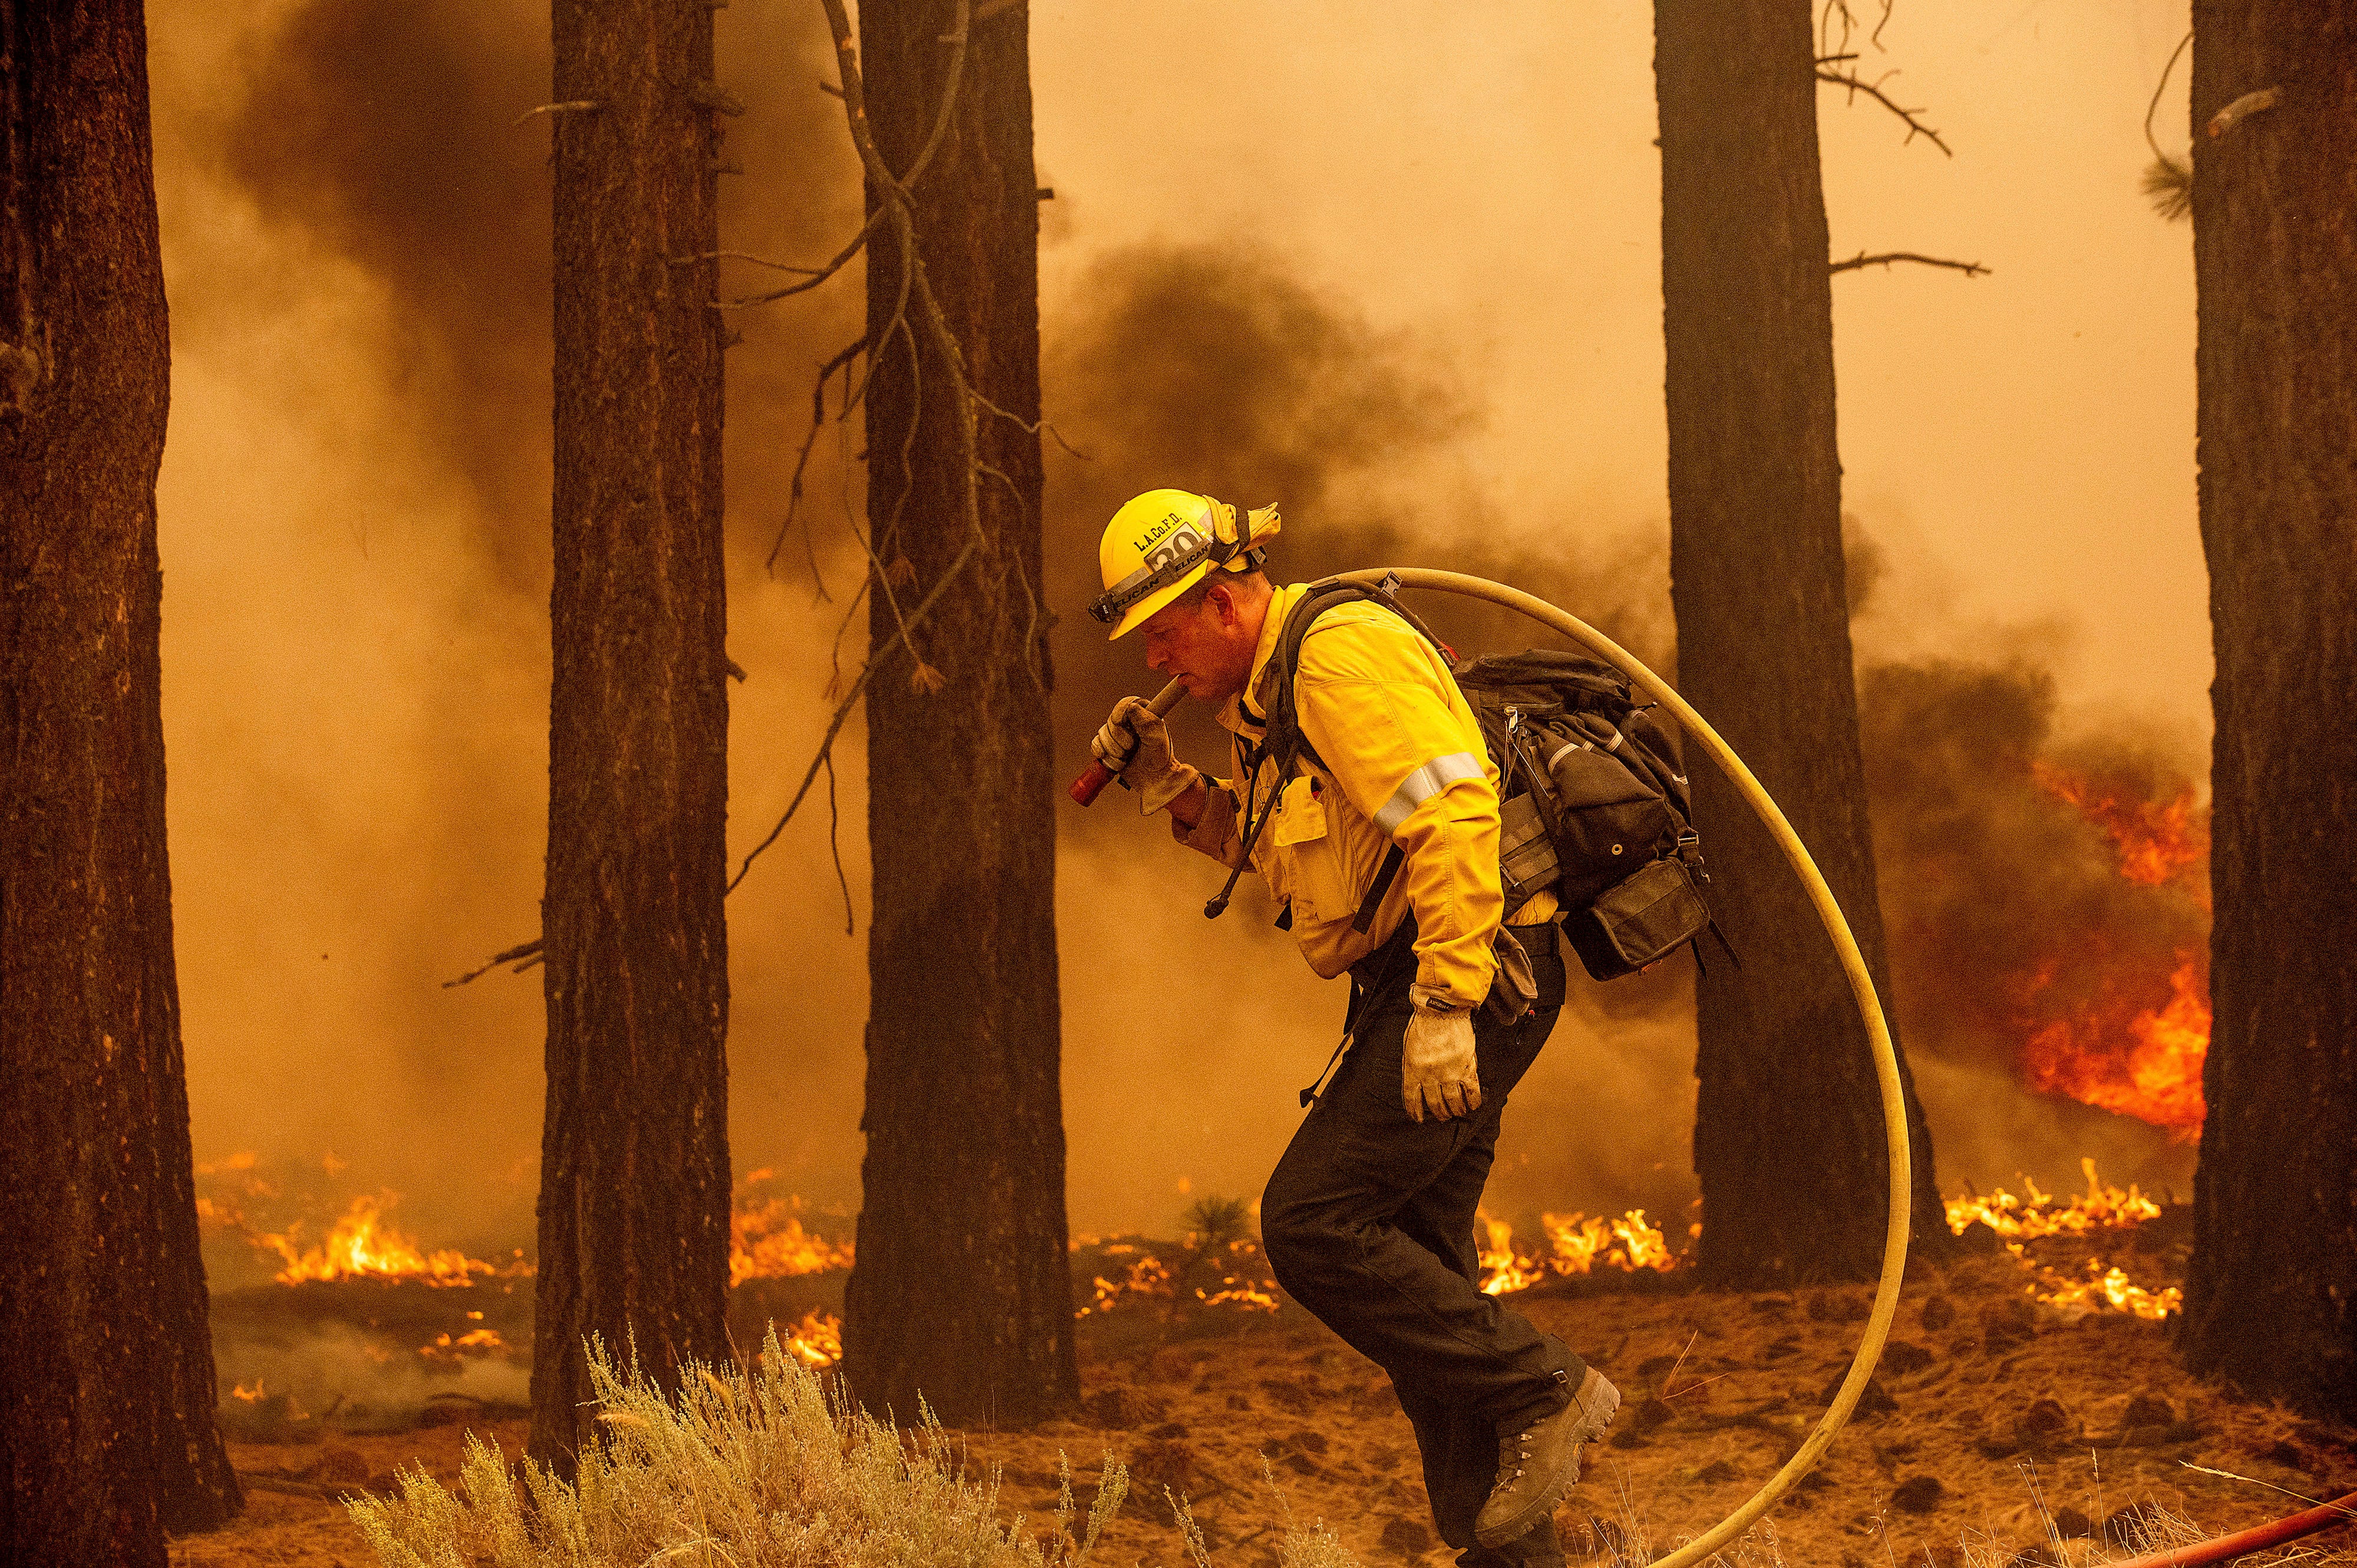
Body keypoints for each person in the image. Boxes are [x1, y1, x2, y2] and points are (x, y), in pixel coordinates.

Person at [1085, 489, 1621, 1567]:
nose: (1155, 655)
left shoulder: (1337, 657)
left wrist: (1444, 1004)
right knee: (1422, 1275)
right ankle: (1506, 1549)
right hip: (1421, 976)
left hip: (1471, 972)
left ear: (1229, 599)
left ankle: (1546, 1385)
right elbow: (1291, 859)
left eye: (1167, 625)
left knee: (1314, 1222)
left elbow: (1456, 811)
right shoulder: (1268, 697)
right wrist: (1167, 785)